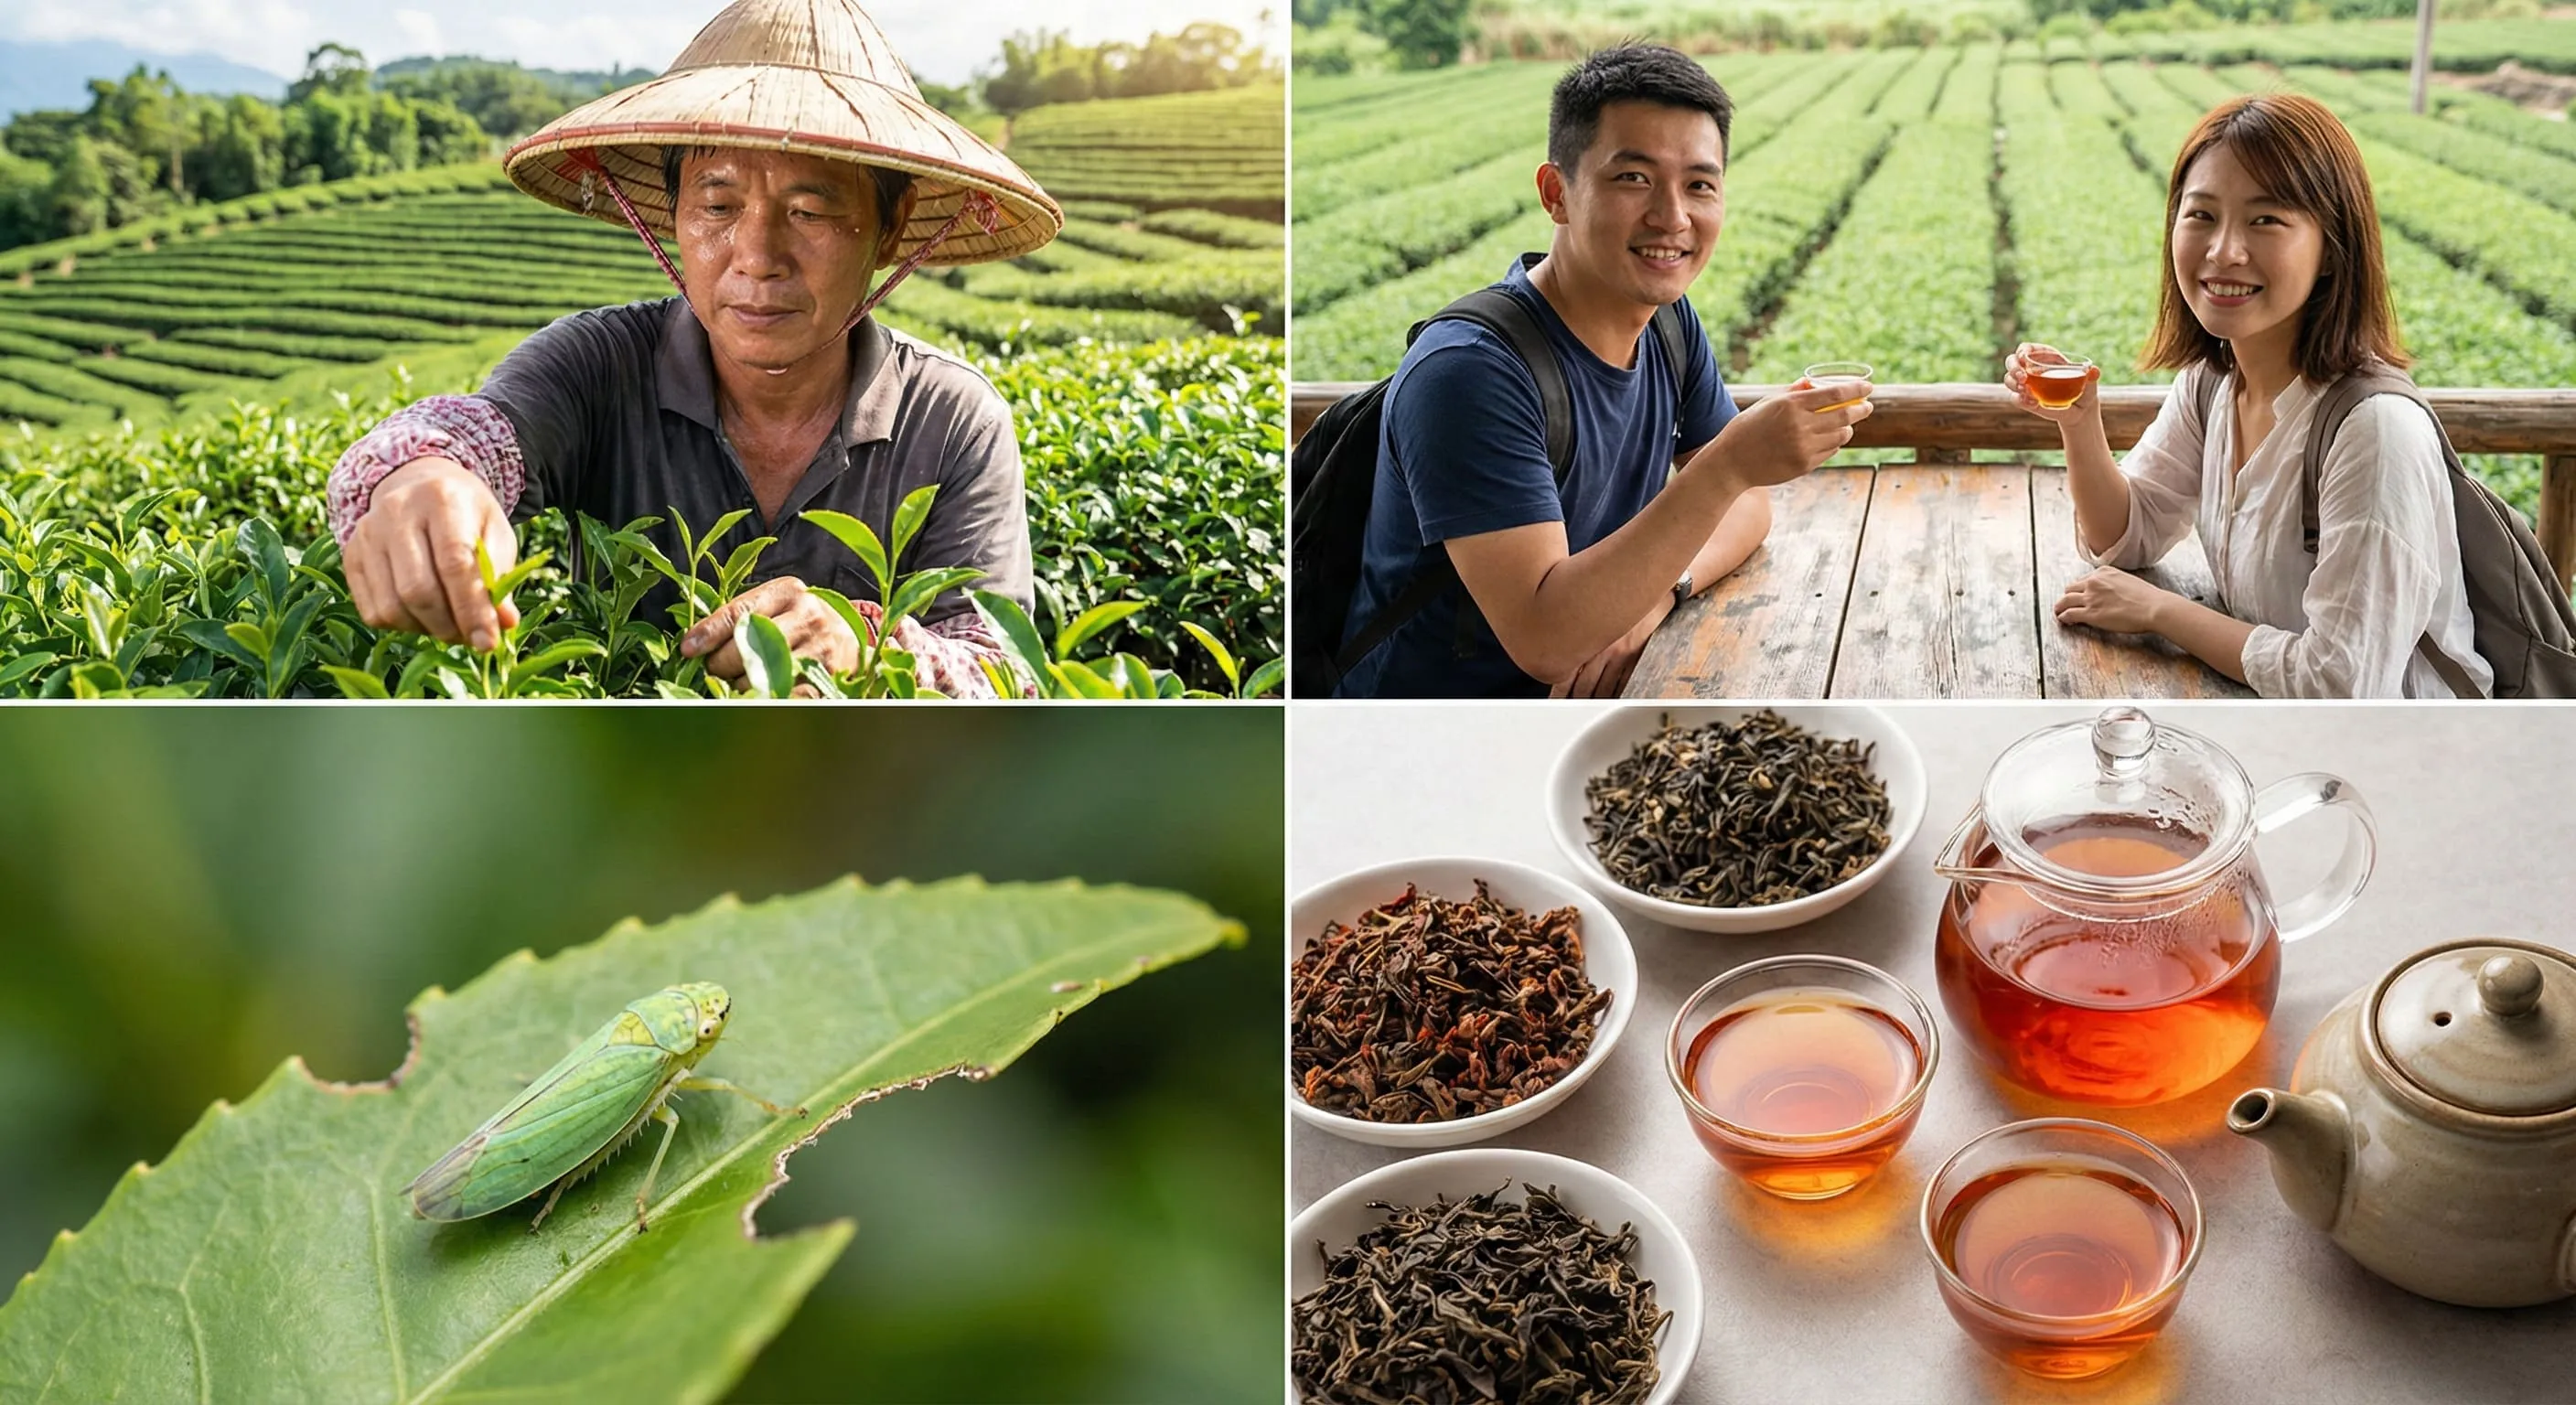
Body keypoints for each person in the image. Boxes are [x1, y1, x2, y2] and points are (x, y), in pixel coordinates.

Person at [323, 0, 1062, 696]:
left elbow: (1004, 670)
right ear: (674, 214)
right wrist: (421, 476)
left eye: (809, 211)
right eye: (717, 206)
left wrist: (867, 648)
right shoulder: (597, 366)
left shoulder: (952, 419)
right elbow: (474, 434)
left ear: (890, 228)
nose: (757, 257)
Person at [1331, 43, 1867, 699]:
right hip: (1434, 727)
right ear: (1556, 193)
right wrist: (1728, 464)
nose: (1673, 217)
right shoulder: (1469, 372)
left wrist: (1655, 596)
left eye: (1700, 185)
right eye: (1633, 178)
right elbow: (1547, 641)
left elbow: (1749, 507)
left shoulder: (1668, 322)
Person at [2008, 92, 2488, 698]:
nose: (2223, 251)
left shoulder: (2374, 432)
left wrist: (2163, 612)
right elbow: (2128, 534)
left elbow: (2342, 683)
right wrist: (2080, 423)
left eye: (2265, 220)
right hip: (2264, 715)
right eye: (2201, 215)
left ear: (2332, 250)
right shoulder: (2213, 382)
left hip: (2403, 740)